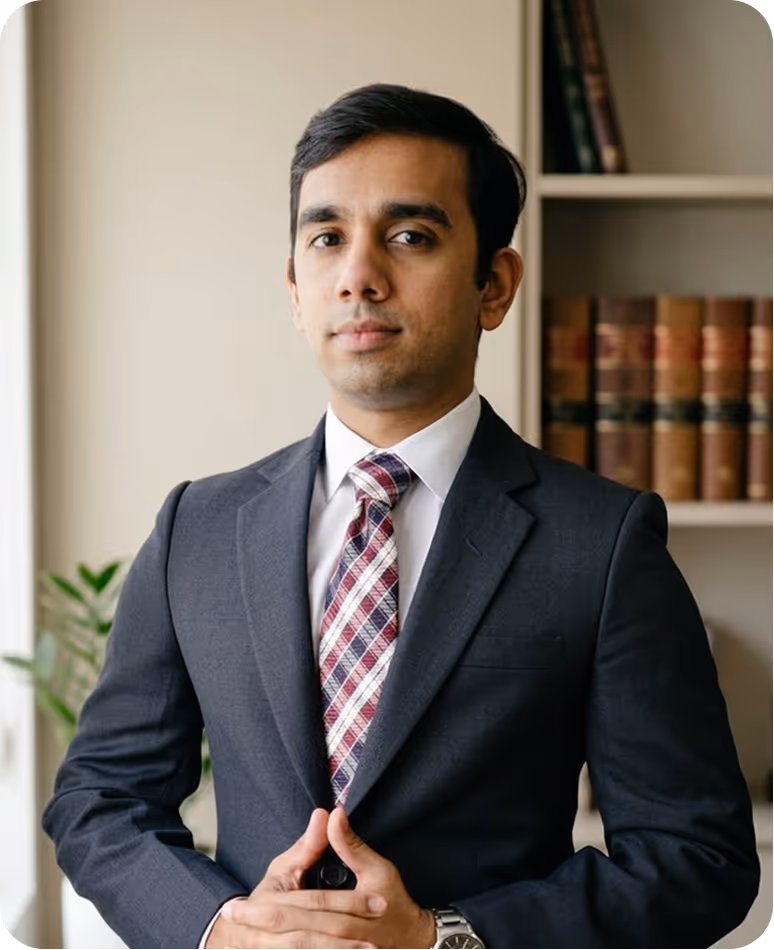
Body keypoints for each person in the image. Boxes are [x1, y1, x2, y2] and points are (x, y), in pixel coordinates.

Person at [43, 83, 759, 950]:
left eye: (411, 236)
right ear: (296, 287)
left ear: (494, 284)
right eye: (327, 237)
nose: (359, 276)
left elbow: (696, 857)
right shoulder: (199, 527)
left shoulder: (602, 544)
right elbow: (101, 800)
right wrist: (219, 926)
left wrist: (441, 938)